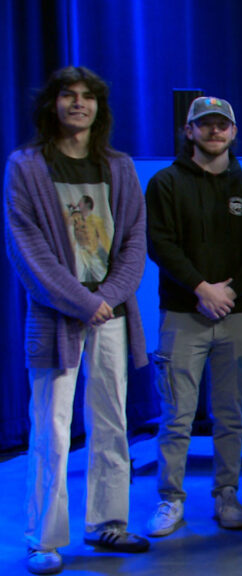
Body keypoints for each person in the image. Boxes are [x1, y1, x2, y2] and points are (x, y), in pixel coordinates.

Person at [4, 66, 150, 575]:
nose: (79, 104)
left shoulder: (120, 166)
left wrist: (107, 298)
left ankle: (109, 522)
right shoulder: (25, 167)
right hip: (59, 318)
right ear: (53, 104)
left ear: (99, 108)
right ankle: (44, 537)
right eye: (68, 95)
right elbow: (29, 253)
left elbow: (134, 244)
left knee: (113, 421)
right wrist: (83, 303)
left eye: (88, 97)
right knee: (52, 428)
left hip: (111, 313)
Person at [144, 96, 242, 537]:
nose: (215, 132)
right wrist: (201, 289)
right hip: (183, 314)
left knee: (230, 413)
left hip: (236, 315)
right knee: (176, 415)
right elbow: (161, 244)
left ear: (234, 133)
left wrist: (229, 292)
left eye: (222, 125)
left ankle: (227, 495)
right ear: (189, 130)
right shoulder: (165, 183)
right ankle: (170, 500)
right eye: (205, 125)